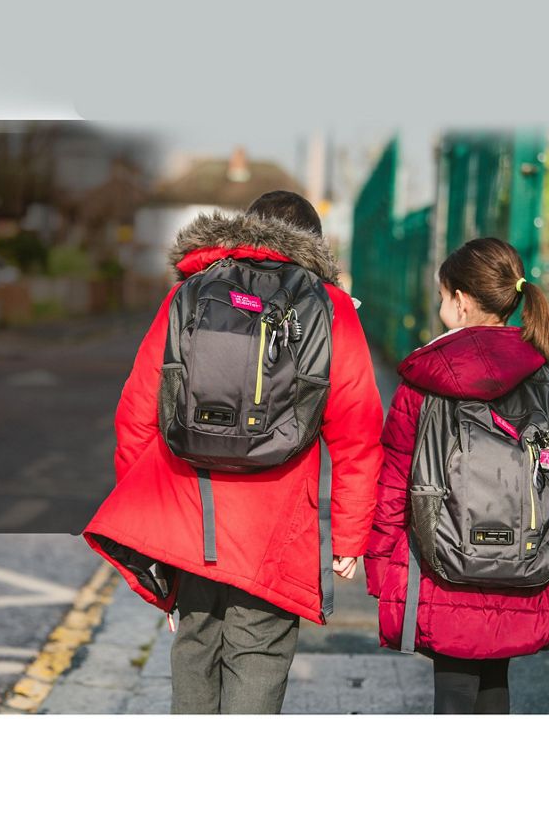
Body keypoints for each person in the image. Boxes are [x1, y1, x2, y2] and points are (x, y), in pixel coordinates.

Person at [85, 190, 384, 715]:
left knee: (195, 648)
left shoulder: (191, 295)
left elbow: (137, 411)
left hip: (190, 520)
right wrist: (350, 535)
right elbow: (358, 429)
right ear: (315, 246)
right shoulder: (328, 306)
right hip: (277, 526)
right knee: (259, 655)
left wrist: (150, 525)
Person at [364, 236, 549, 715]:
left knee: (454, 688)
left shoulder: (424, 382)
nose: (441, 306)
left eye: (442, 297)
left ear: (460, 301)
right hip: (528, 563)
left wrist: (380, 566)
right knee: (494, 680)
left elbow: (396, 481)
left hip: (443, 566)